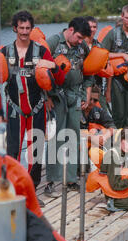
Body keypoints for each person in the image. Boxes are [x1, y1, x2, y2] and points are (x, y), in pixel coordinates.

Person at [0, 11, 65, 207]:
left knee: (35, 154)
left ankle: (30, 192)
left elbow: (60, 80)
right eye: (20, 28)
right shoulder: (3, 53)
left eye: (27, 28)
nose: (24, 32)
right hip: (14, 111)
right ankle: (12, 191)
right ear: (15, 28)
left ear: (31, 29)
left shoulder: (41, 52)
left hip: (37, 110)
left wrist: (55, 68)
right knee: (12, 153)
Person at [44, 17, 92, 197]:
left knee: (73, 137)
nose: (80, 42)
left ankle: (71, 178)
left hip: (75, 96)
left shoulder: (82, 47)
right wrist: (46, 96)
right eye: (79, 37)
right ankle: (51, 181)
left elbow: (89, 71)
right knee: (56, 138)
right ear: (70, 30)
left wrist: (86, 94)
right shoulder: (53, 43)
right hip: (56, 96)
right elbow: (39, 70)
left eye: (83, 39)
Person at [84, 16, 112, 116]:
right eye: (89, 26)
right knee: (83, 112)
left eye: (94, 27)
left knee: (102, 113)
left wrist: (108, 90)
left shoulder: (100, 47)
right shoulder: (78, 44)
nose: (92, 29)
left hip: (96, 87)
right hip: (80, 88)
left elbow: (109, 70)